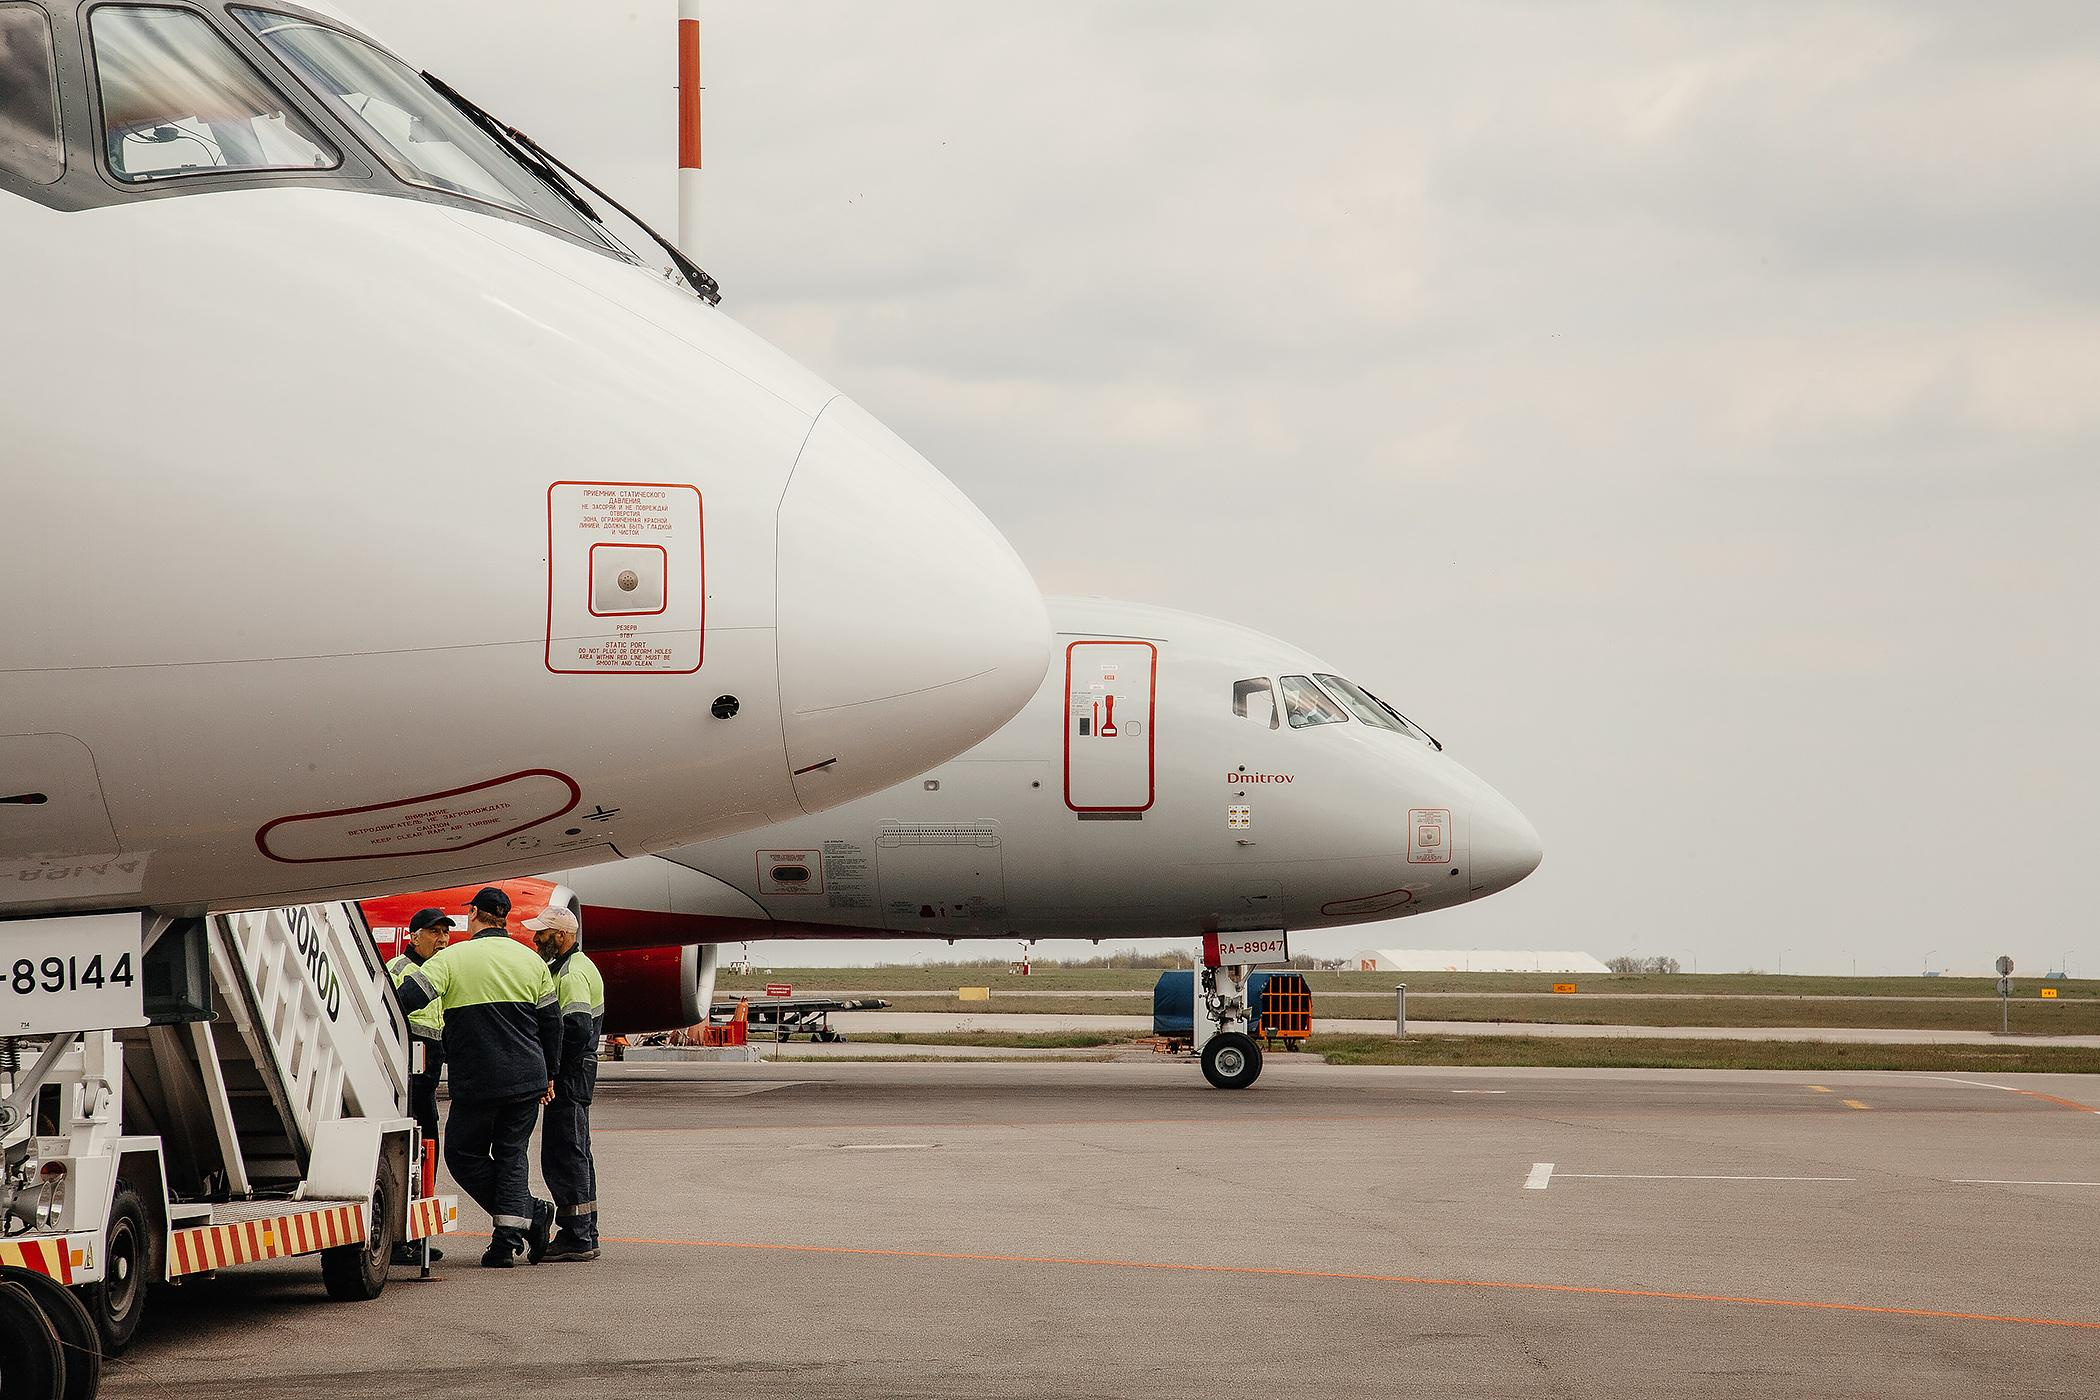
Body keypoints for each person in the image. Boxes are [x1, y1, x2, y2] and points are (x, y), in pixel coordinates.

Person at [394, 887, 559, 1268]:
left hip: (479, 1080)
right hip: (527, 1077)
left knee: (462, 1155)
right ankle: (514, 1232)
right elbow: (552, 1023)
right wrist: (551, 1073)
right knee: (512, 1154)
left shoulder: (452, 958)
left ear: (474, 916)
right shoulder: (531, 960)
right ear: (504, 916)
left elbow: (408, 1000)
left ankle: (524, 1223)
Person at [523, 904, 603, 1262]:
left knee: (564, 1152)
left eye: (542, 932)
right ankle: (586, 1230)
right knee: (576, 1150)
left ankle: (577, 1235)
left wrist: (552, 1072)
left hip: (571, 1073)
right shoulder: (572, 967)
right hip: (577, 1071)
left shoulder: (571, 974)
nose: (535, 937)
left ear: (562, 935)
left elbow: (577, 1028)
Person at [386, 907, 453, 1264]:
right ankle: (400, 1239)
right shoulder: (400, 970)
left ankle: (413, 1232)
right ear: (414, 936)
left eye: (445, 933)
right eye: (434, 933)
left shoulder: (436, 974)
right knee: (411, 1154)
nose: (443, 940)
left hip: (426, 1081)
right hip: (406, 1081)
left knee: (427, 1151)